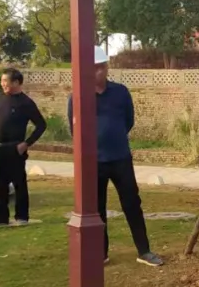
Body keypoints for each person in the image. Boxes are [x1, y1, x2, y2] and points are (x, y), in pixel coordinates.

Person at [67, 46, 163, 268]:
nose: (97, 72)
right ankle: (100, 254)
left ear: (107, 67)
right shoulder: (78, 97)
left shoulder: (120, 92)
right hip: (93, 162)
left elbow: (129, 121)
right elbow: (75, 131)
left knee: (132, 204)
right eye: (93, 68)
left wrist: (113, 137)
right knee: (97, 209)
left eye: (101, 67)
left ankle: (144, 251)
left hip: (120, 158)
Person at [0, 68, 46, 226]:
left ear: (16, 82)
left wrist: (26, 144)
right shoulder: (1, 98)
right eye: (2, 81)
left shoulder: (26, 103)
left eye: (6, 81)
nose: (3, 84)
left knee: (19, 184)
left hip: (14, 149)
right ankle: (1, 217)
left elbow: (41, 125)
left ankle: (22, 217)